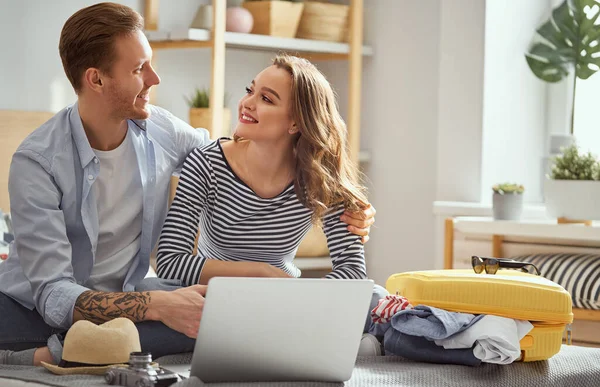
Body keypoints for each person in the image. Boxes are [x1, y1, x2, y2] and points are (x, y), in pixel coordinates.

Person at [0, 3, 376, 366]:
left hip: (128, 296)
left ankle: (89, 348)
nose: (155, 78)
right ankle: (46, 354)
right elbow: (54, 295)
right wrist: (158, 305)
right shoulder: (38, 163)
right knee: (197, 318)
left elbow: (228, 156)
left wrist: (355, 212)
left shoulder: (161, 131)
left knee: (364, 299)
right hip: (32, 307)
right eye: (139, 69)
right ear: (96, 79)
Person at [155, 55, 386, 335]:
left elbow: (351, 270)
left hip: (283, 299)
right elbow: (170, 262)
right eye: (250, 91)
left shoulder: (320, 177)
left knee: (375, 297)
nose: (247, 103)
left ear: (296, 124)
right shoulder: (206, 163)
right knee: (154, 298)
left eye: (266, 99)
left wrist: (298, 295)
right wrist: (261, 273)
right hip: (216, 296)